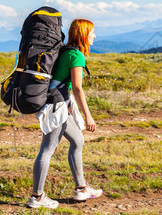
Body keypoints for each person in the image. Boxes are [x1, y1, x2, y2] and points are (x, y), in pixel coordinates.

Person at [27, 18, 102, 209]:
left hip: (59, 104)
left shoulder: (65, 50)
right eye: (92, 32)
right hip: (56, 106)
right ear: (84, 34)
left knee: (77, 141)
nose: (94, 36)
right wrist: (88, 116)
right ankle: (36, 197)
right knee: (47, 149)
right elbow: (77, 88)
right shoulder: (76, 56)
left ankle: (82, 188)